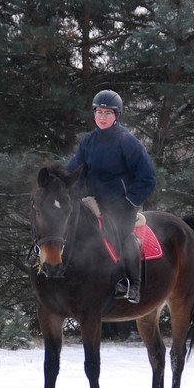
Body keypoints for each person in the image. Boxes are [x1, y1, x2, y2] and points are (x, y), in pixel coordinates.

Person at [68, 89, 156, 304]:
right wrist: (68, 189)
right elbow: (75, 171)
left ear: (117, 116)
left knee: (123, 234)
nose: (102, 117)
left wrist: (129, 202)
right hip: (94, 201)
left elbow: (147, 178)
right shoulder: (88, 141)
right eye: (99, 112)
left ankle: (132, 283)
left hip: (122, 203)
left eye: (108, 113)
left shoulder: (128, 141)